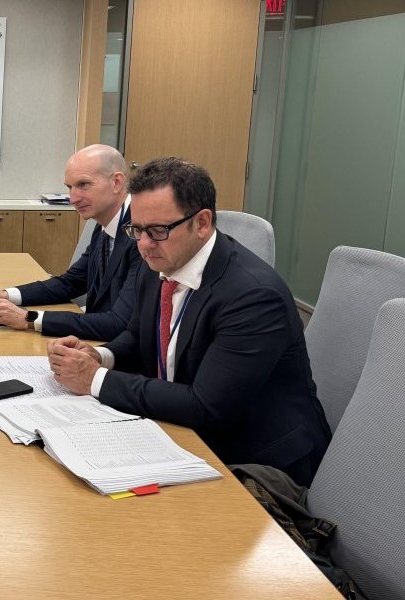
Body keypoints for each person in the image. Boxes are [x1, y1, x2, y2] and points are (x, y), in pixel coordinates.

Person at [47, 158, 331, 486]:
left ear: (202, 223)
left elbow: (205, 406)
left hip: (255, 465)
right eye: (136, 230)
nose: (144, 245)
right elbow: (138, 337)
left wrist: (94, 379)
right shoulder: (159, 263)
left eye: (158, 230)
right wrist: (100, 356)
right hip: (182, 433)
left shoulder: (254, 296)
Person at [0, 144, 142, 341]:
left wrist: (29, 318)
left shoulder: (141, 234)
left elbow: (118, 324)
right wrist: (6, 295)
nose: (73, 199)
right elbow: (71, 282)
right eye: (69, 187)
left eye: (83, 185)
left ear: (116, 182)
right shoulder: (105, 222)